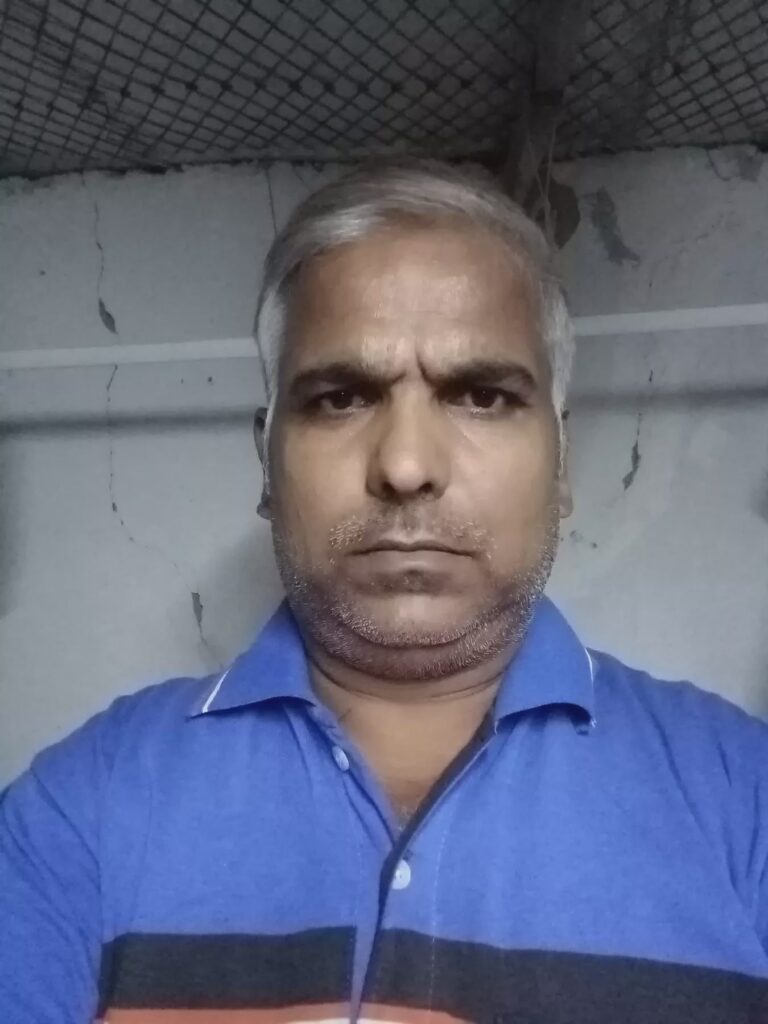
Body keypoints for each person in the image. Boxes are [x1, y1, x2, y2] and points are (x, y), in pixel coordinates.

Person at [1, 160, 767, 1024]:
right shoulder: (86, 804)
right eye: (341, 398)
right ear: (266, 462)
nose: (405, 466)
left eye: (481, 395)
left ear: (562, 462)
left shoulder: (745, 797)